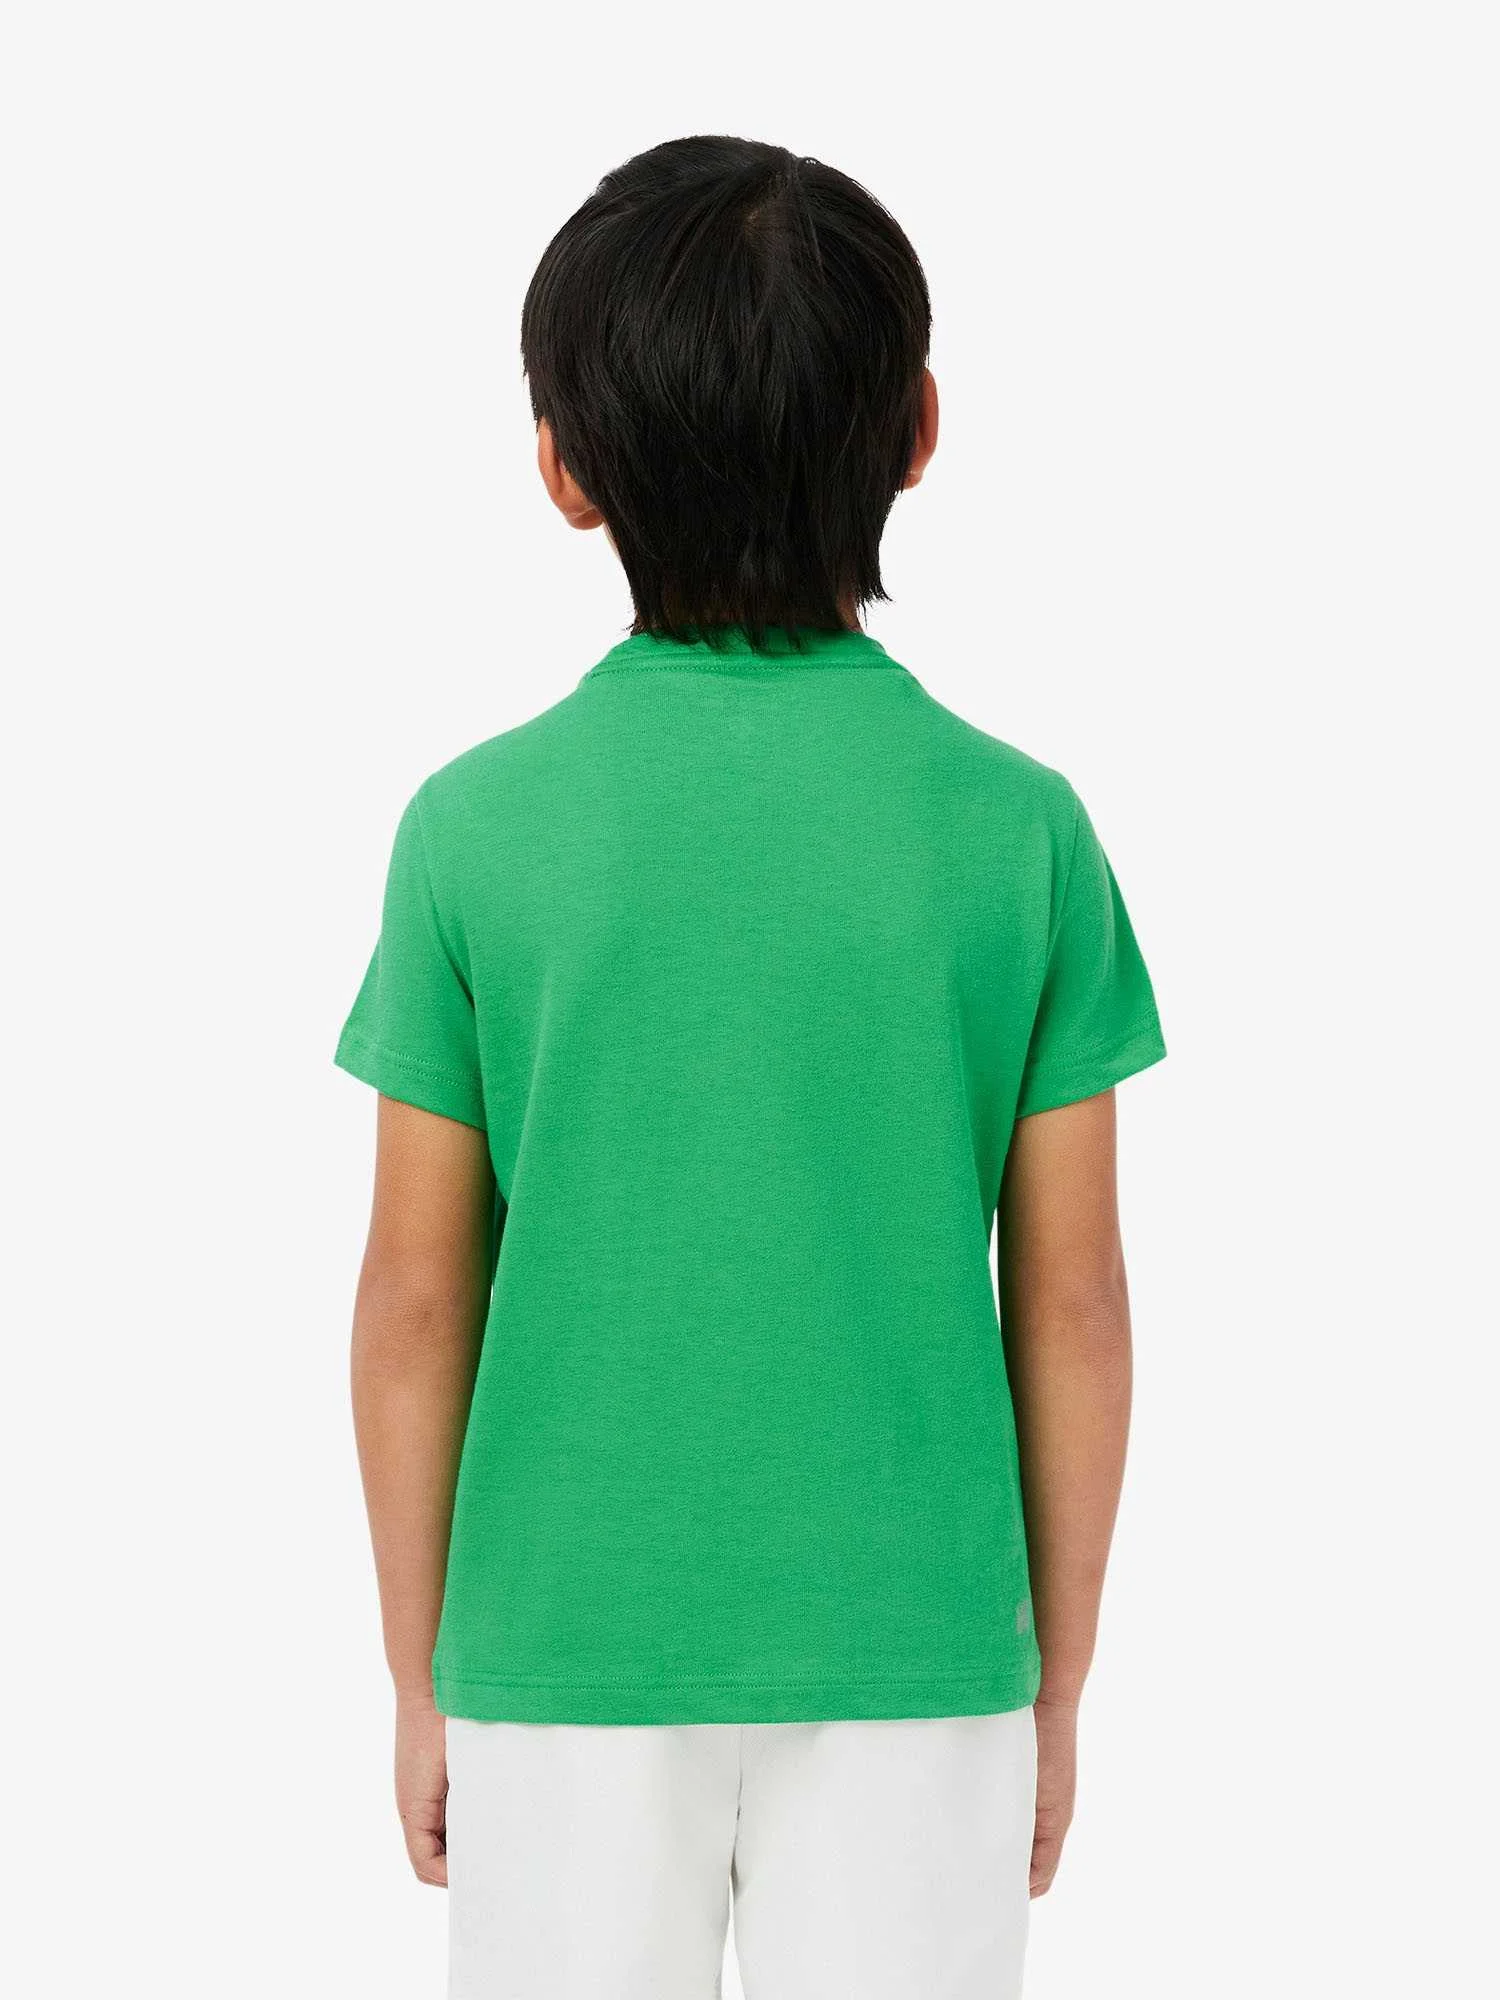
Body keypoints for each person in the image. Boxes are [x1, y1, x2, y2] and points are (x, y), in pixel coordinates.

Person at [338, 134, 1165, 2000]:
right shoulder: (1020, 831)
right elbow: (1076, 1301)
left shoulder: (472, 829)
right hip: (921, 1648)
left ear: (564, 465)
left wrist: (418, 1670)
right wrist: (1058, 1679)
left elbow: (414, 1297)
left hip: (560, 1649)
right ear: (919, 431)